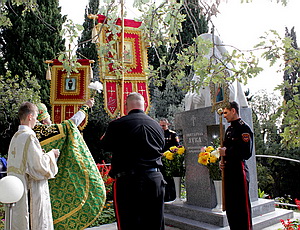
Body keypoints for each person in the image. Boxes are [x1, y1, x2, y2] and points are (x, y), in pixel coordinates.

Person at [33, 99, 106, 229]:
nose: (50, 121)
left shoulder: (26, 134)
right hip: (46, 182)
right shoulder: (47, 131)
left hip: (29, 184)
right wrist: (86, 107)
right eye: (49, 118)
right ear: (44, 120)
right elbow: (71, 124)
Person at [101, 92, 166, 230]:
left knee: (129, 223)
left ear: (126, 106)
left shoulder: (117, 124)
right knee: (154, 223)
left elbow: (105, 146)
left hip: (129, 181)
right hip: (154, 179)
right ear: (145, 105)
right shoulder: (157, 126)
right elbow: (161, 147)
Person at [7, 102, 60, 230]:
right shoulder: (29, 137)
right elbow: (40, 167)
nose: (37, 120)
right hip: (29, 189)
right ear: (30, 116)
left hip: (16, 190)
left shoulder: (15, 137)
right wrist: (51, 155)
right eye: (36, 116)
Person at [219, 101, 253, 230]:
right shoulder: (229, 129)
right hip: (228, 171)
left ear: (233, 111)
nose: (224, 115)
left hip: (239, 171)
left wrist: (227, 152)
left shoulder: (244, 128)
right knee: (231, 207)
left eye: (226, 112)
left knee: (241, 207)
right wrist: (223, 161)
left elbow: (246, 152)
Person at [159, 118, 180, 202]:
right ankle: (163, 196)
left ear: (168, 124)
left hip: (169, 159)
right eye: (160, 125)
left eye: (163, 125)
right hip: (160, 159)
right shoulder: (158, 133)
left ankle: (171, 196)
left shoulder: (172, 134)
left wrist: (167, 153)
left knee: (170, 179)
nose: (162, 127)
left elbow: (177, 147)